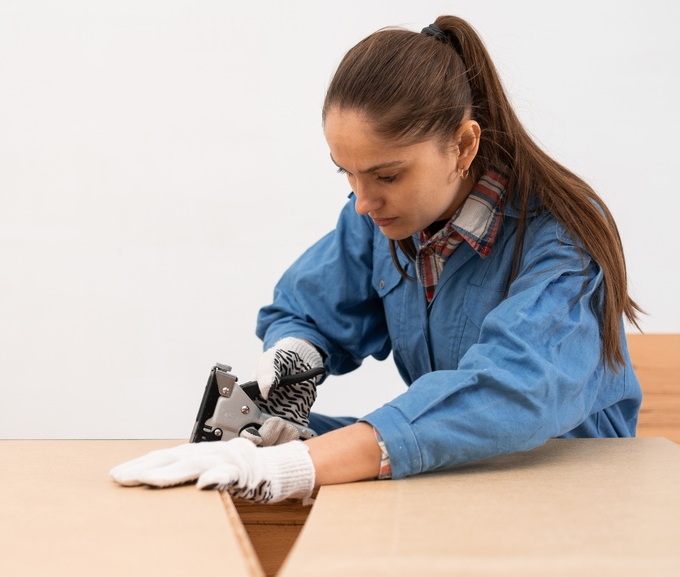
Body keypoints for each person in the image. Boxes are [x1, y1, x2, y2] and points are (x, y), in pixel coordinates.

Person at [111, 15, 643, 504]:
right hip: (460, 482)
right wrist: (294, 357)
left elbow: (509, 391)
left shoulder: (564, 240)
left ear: (462, 145)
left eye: (386, 175)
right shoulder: (381, 221)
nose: (363, 202)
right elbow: (308, 310)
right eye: (346, 173)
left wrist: (300, 464)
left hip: (572, 498)